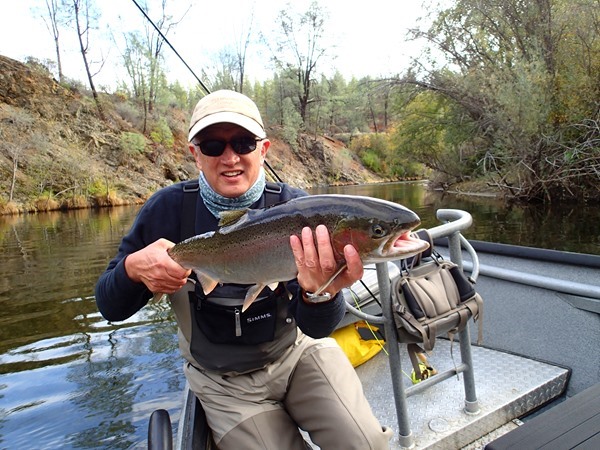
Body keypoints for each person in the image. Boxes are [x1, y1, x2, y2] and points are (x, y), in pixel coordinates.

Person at [95, 89, 392, 449]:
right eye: (212, 146)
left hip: (296, 354)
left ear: (263, 149)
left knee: (366, 443)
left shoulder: (298, 209)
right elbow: (110, 307)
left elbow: (318, 328)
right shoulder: (167, 211)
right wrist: (131, 269)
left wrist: (321, 293)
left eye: (243, 143)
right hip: (223, 381)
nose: (230, 158)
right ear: (195, 154)